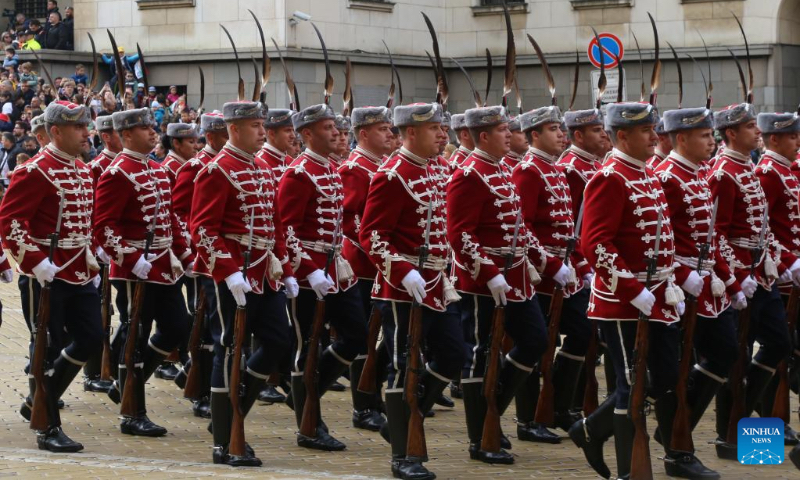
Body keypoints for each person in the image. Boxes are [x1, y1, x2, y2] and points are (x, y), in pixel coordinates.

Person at [576, 102, 682, 479]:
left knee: (663, 378)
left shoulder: (646, 173)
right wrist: (632, 288)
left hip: (656, 295)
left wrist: (669, 283)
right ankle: (628, 471)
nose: (655, 136)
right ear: (622, 135)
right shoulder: (611, 176)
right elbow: (596, 243)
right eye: (646, 131)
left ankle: (589, 431)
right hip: (622, 303)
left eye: (654, 129)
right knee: (633, 384)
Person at [359, 102, 465, 479]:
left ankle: (403, 419)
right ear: (412, 133)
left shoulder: (437, 168)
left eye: (443, 127)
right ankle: (403, 455)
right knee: (405, 366)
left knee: (453, 355)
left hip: (436, 283)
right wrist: (403, 272)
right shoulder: (393, 174)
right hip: (402, 288)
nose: (443, 135)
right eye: (436, 128)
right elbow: (371, 235)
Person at [191, 101, 297, 466]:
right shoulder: (217, 169)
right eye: (255, 126)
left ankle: (230, 413)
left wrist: (284, 263)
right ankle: (224, 439)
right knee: (230, 347)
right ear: (234, 129)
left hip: (264, 275)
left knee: (278, 341)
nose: (261, 132)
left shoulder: (263, 169)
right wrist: (228, 270)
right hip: (232, 274)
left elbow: (275, 223)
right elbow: (202, 229)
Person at [447, 105, 551, 464]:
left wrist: (538, 255)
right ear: (484, 136)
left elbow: (519, 223)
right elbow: (460, 233)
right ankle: (480, 436)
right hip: (484, 281)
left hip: (517, 275)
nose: (510, 135)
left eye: (509, 129)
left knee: (535, 340)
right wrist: (488, 272)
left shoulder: (503, 168)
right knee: (481, 353)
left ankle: (493, 411)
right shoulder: (469, 174)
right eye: (503, 130)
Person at [0, 101, 101, 453]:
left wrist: (91, 252)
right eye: (79, 128)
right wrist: (37, 261)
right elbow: (11, 222)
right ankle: (48, 427)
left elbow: (85, 221)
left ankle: (40, 402)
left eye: (87, 127)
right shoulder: (35, 171)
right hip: (45, 274)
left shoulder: (82, 170)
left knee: (92, 337)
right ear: (56, 131)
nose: (87, 134)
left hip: (77, 271)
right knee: (47, 347)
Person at [653, 107, 746, 478]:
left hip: (720, 281)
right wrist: (683, 273)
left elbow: (712, 236)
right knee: (732, 355)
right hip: (684, 287)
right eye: (706, 135)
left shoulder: (703, 173)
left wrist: (732, 278)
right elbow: (659, 241)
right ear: (681, 139)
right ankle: (683, 441)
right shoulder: (672, 177)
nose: (713, 140)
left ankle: (739, 439)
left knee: (751, 353)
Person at [93, 107, 192, 437]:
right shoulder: (117, 173)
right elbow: (103, 226)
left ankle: (127, 384)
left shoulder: (157, 169)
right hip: (135, 268)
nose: (153, 132)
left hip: (162, 264)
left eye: (152, 127)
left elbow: (171, 217)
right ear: (125, 135)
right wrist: (131, 258)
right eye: (144, 128)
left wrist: (184, 252)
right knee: (135, 337)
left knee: (178, 326)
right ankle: (133, 412)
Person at [707, 103, 791, 459]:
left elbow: (764, 224)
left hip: (760, 274)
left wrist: (776, 260)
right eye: (749, 127)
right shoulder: (723, 172)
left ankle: (744, 418)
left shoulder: (749, 167)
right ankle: (733, 433)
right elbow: (717, 235)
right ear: (731, 133)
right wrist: (737, 278)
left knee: (778, 343)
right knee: (735, 356)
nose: (758, 132)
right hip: (739, 278)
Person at [513, 106, 593, 442]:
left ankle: (559, 404)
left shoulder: (554, 169)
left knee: (585, 332)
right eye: (553, 129)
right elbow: (522, 226)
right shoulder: (529, 170)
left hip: (565, 271)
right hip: (541, 274)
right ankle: (528, 418)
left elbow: (569, 229)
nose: (562, 134)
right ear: (534, 135)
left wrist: (581, 265)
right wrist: (550, 264)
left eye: (562, 128)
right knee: (536, 343)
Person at [338, 105, 396, 430]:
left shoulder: (383, 165)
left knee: (385, 336)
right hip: (363, 265)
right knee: (366, 337)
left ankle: (375, 394)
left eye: (389, 128)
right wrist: (378, 254)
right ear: (363, 134)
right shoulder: (354, 168)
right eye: (382, 129)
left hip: (384, 265)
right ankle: (363, 405)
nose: (389, 134)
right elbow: (351, 220)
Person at [170, 112, 228, 418]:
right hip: (202, 258)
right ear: (215, 136)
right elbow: (179, 213)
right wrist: (188, 253)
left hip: (223, 258)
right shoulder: (195, 166)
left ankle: (197, 378)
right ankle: (201, 390)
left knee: (211, 326)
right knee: (203, 325)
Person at [753, 111, 800, 443]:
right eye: (793, 136)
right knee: (777, 349)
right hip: (776, 277)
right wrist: (785, 263)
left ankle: (771, 420)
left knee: (785, 351)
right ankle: (764, 422)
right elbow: (760, 229)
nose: (797, 142)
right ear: (774, 139)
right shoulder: (768, 173)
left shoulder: (786, 171)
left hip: (790, 276)